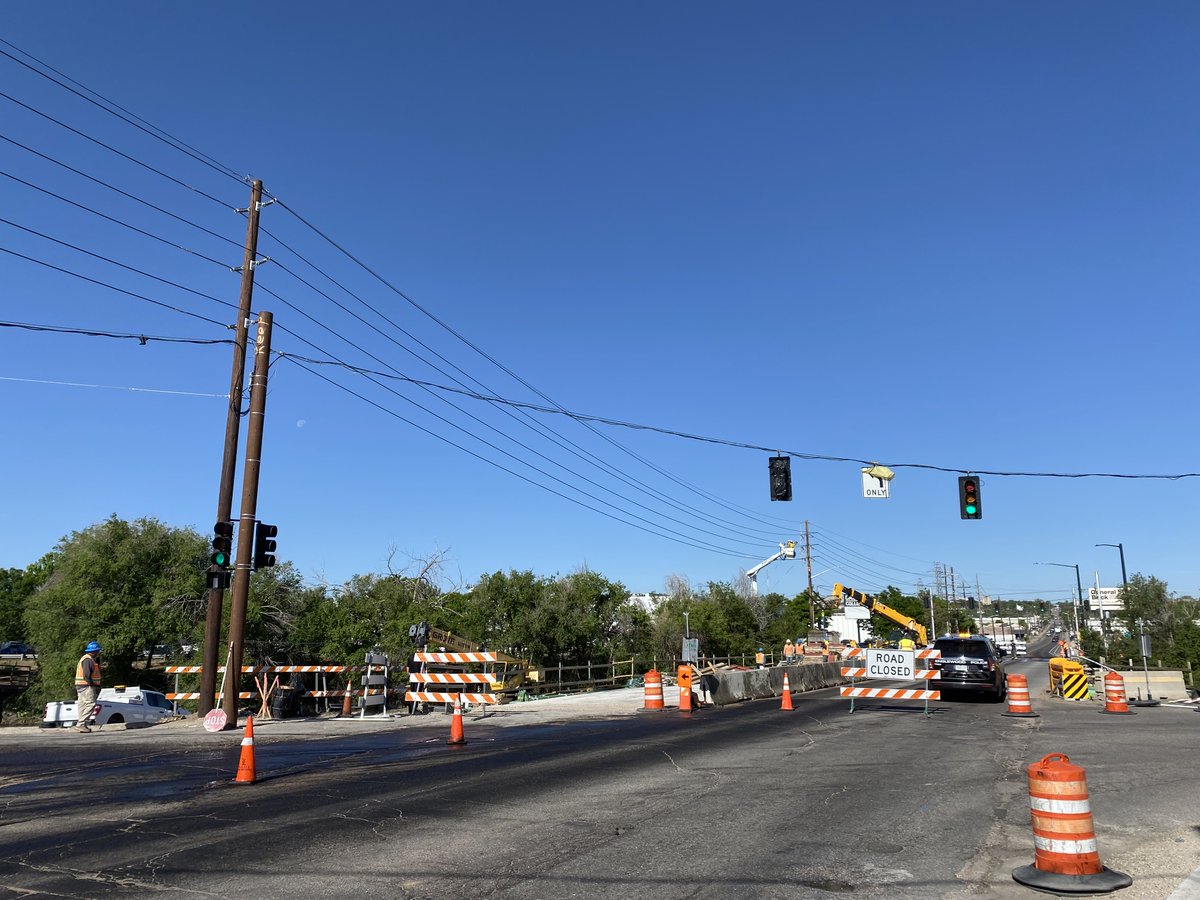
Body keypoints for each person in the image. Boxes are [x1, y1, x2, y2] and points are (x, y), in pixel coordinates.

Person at [74, 640, 102, 733]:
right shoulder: (88, 660)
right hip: (86, 686)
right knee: (91, 704)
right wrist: (91, 684)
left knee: (82, 705)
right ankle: (80, 723)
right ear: (94, 651)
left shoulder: (85, 658)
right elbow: (87, 674)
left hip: (80, 685)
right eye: (98, 651)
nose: (98, 653)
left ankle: (82, 725)